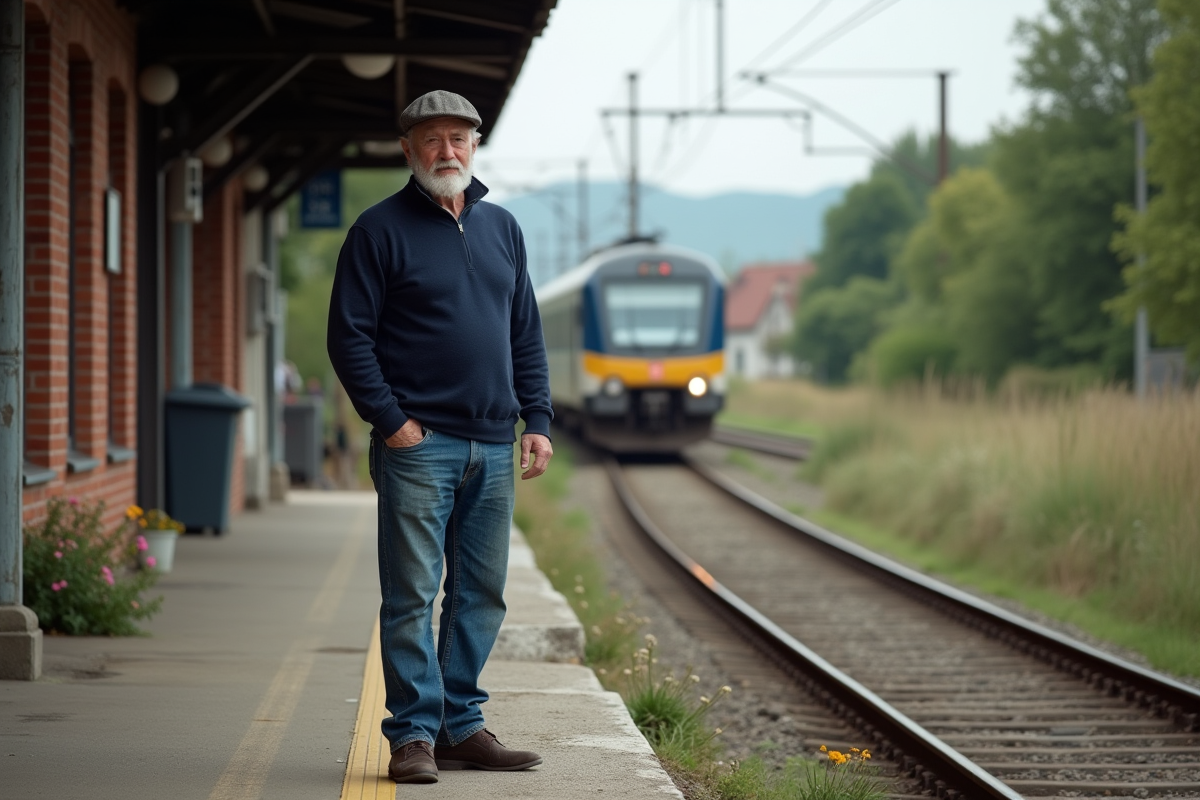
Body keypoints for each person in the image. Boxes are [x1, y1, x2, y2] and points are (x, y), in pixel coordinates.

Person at [326, 90, 554, 784]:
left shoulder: (503, 229)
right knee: (412, 595)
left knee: (481, 593)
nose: (446, 150)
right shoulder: (378, 230)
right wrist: (393, 424)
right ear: (409, 149)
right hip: (420, 447)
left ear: (476, 145)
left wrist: (537, 421)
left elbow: (525, 334)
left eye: (458, 137)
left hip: (492, 442)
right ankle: (413, 735)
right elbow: (349, 337)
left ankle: (461, 724)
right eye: (432, 139)